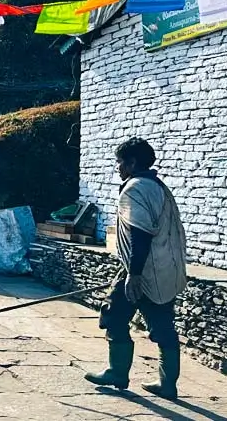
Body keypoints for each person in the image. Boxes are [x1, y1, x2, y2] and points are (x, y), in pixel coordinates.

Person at [85, 137, 187, 400]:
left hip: (142, 268)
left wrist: (134, 274)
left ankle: (117, 372)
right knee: (163, 325)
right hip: (164, 268)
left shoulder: (135, 189)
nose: (118, 168)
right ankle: (167, 384)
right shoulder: (158, 187)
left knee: (114, 313)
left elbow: (138, 233)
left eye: (120, 163)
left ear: (131, 163)